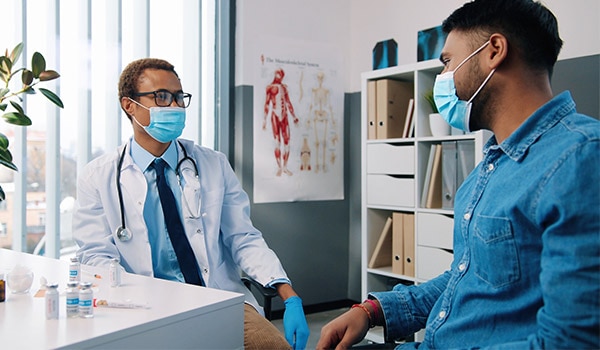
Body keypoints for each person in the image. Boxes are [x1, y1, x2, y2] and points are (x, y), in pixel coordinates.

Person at [317, 0, 600, 349]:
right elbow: (467, 276)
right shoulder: (491, 165)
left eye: (448, 61)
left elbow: (571, 342)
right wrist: (374, 310)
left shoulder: (581, 157)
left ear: (494, 50)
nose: (443, 78)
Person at [72, 58, 310, 350]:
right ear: (129, 105)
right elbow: (96, 256)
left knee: (271, 347)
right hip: (143, 307)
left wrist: (289, 295)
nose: (174, 106)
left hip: (217, 299)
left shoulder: (212, 164)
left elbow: (243, 237)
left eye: (179, 97)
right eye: (161, 97)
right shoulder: (98, 177)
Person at [263, 67, 299, 176]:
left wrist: (294, 117)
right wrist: (264, 120)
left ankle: (285, 167)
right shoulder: (270, 88)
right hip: (275, 115)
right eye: (278, 75)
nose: (279, 77)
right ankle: (279, 167)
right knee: (277, 142)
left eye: (281, 75)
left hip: (284, 116)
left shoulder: (284, 88)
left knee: (287, 142)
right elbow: (267, 104)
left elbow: (288, 102)